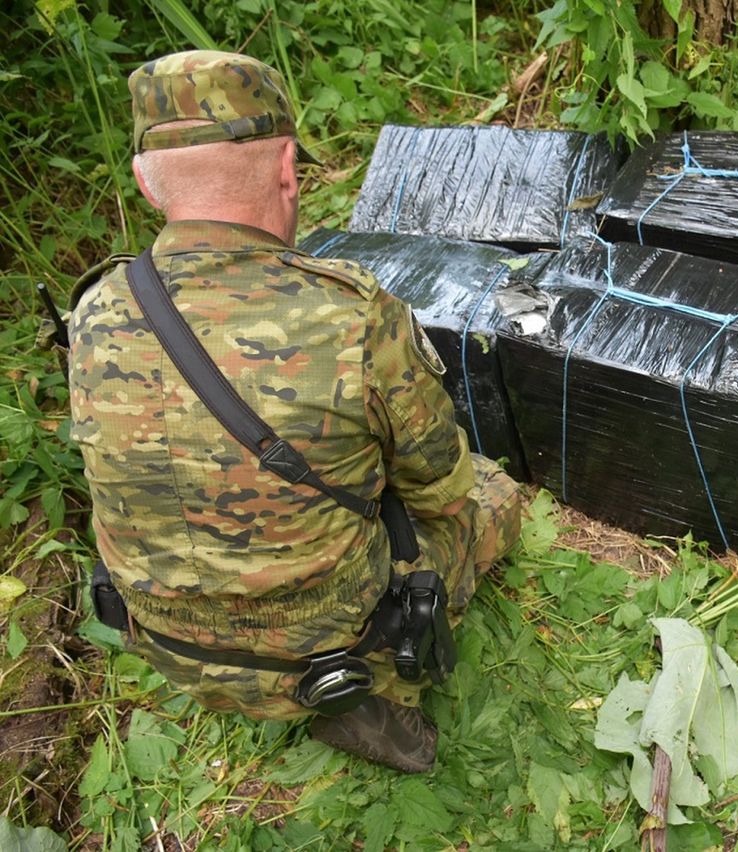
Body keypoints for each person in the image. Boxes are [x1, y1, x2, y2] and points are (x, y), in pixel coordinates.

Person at [66, 50, 521, 773]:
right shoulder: (351, 315)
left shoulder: (94, 311)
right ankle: (376, 695)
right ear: (286, 168)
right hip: (330, 643)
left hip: (169, 646)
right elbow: (442, 485)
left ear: (148, 184)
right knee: (492, 496)